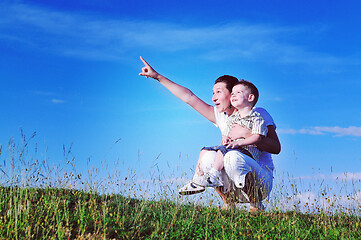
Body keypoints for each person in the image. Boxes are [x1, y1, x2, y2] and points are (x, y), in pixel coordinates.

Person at [139, 56, 281, 211]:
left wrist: (246, 134)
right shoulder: (222, 117)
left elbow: (276, 147)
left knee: (233, 157)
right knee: (208, 157)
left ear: (232, 94)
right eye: (213, 93)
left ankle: (255, 205)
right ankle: (229, 204)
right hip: (234, 179)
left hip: (260, 181)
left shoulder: (257, 113)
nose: (213, 98)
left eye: (218, 92)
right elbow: (189, 97)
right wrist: (157, 77)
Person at [200, 80, 268, 189]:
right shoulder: (232, 119)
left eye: (238, 93)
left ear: (250, 98)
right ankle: (210, 177)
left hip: (249, 156)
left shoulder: (257, 117)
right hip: (233, 152)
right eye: (232, 94)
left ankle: (239, 181)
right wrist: (226, 139)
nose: (233, 96)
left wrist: (240, 140)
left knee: (232, 155)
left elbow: (258, 137)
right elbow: (226, 135)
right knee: (212, 151)